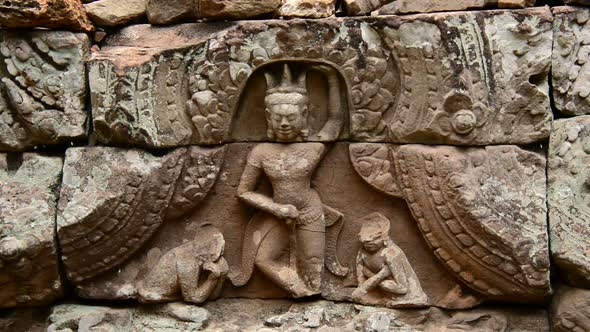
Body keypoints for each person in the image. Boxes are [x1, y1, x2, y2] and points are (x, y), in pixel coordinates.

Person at [229, 63, 347, 297]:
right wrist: (276, 208)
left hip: (310, 211)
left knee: (312, 266)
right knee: (263, 259)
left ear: (304, 115)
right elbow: (243, 191)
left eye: (291, 117)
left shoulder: (313, 147)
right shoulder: (261, 152)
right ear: (268, 117)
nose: (284, 124)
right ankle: (299, 291)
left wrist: (333, 80)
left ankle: (310, 296)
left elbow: (335, 122)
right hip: (277, 213)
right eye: (278, 118)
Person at [352, 213, 426, 305]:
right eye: (365, 242)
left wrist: (373, 276)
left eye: (374, 240)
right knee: (357, 296)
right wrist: (381, 275)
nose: (368, 243)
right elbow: (361, 284)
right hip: (380, 294)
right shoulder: (362, 251)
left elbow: (402, 288)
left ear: (384, 238)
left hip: (406, 298)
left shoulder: (391, 253)